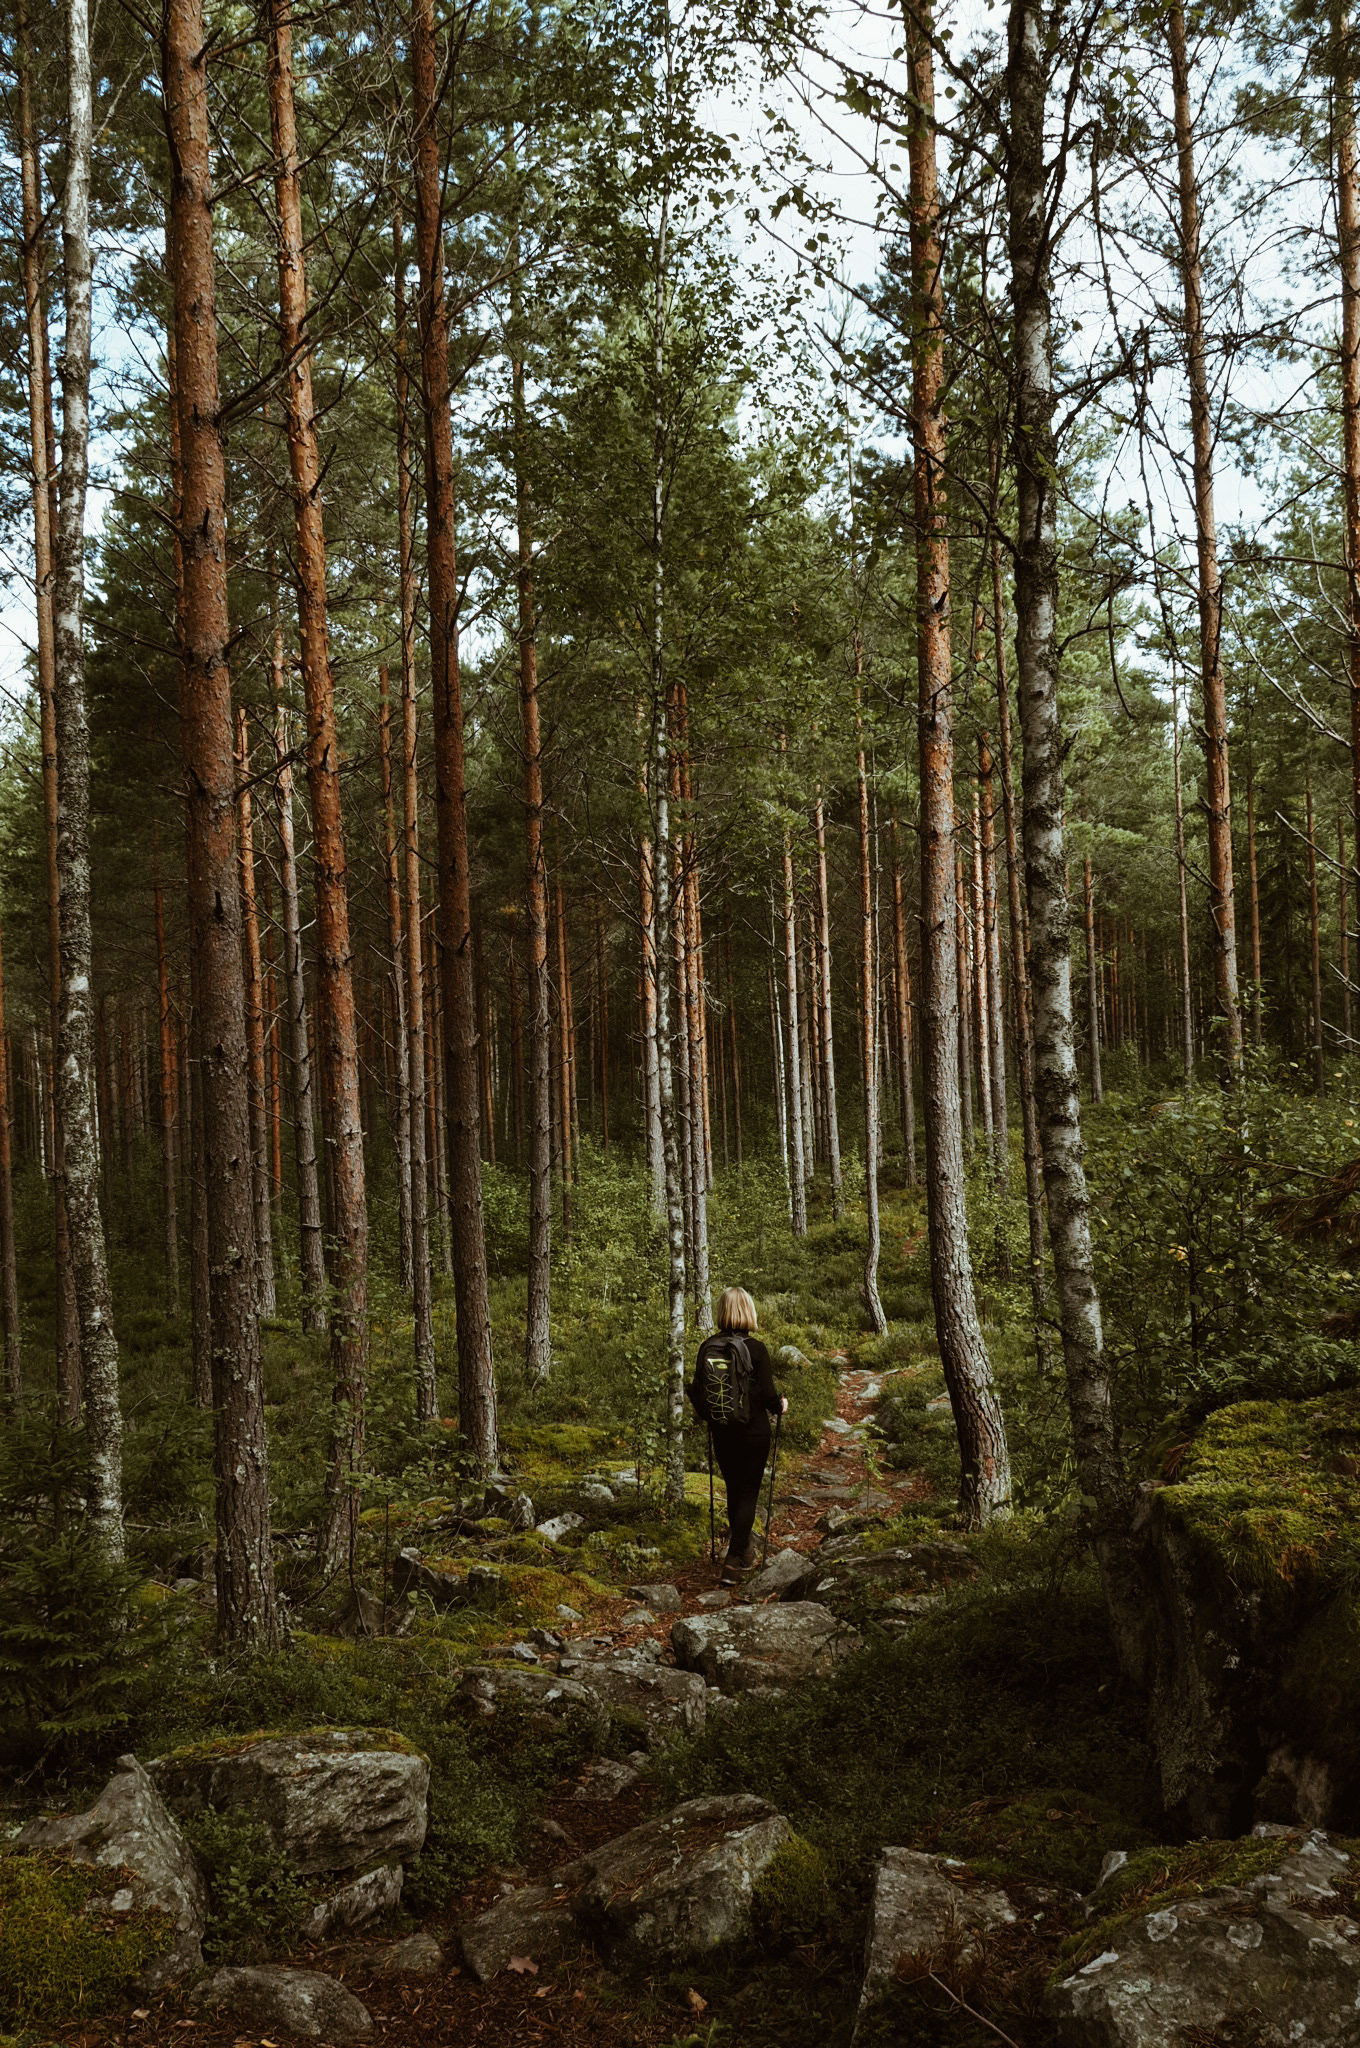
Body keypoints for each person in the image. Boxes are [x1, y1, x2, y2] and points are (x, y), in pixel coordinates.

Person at [687, 1286, 787, 1584]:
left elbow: (695, 1392)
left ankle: (741, 1551)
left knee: (734, 1489)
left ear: (722, 1311)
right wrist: (780, 1404)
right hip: (754, 1432)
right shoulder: (756, 1349)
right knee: (748, 1492)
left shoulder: (708, 1345)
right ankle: (733, 1560)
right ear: (749, 1311)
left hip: (723, 1432)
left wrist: (712, 1416)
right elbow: (769, 1396)